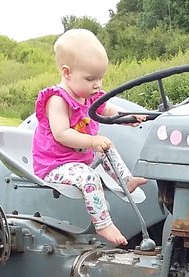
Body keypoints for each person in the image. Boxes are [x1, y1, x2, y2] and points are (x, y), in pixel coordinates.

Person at [32, 29, 147, 246]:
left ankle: (126, 181)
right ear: (67, 73)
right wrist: (93, 142)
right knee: (88, 176)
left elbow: (108, 108)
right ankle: (103, 224)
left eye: (101, 78)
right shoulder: (58, 100)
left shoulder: (89, 95)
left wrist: (127, 118)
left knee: (107, 147)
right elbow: (62, 134)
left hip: (78, 159)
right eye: (91, 78)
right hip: (55, 165)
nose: (98, 84)